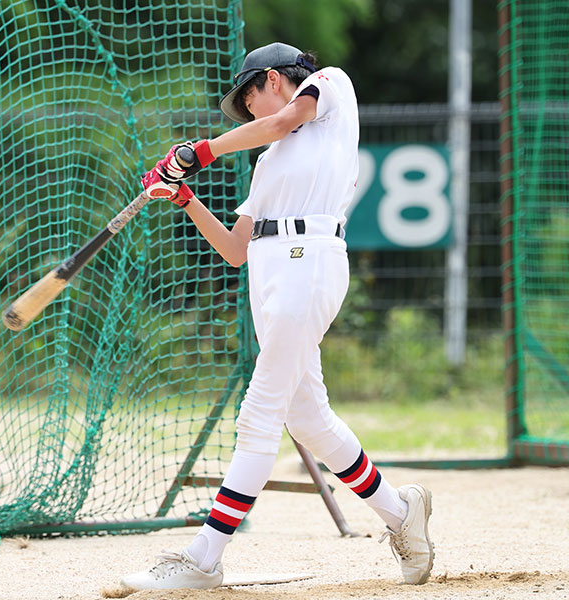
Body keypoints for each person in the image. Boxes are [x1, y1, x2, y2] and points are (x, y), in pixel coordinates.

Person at [122, 42, 435, 589]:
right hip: (266, 273)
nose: (251, 116)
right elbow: (234, 248)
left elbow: (285, 118)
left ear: (273, 79)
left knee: (260, 411)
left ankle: (204, 557)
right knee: (309, 418)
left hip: (308, 260)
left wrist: (200, 150)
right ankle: (402, 515)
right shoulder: (269, 163)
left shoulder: (331, 87)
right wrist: (186, 196)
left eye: (250, 101)